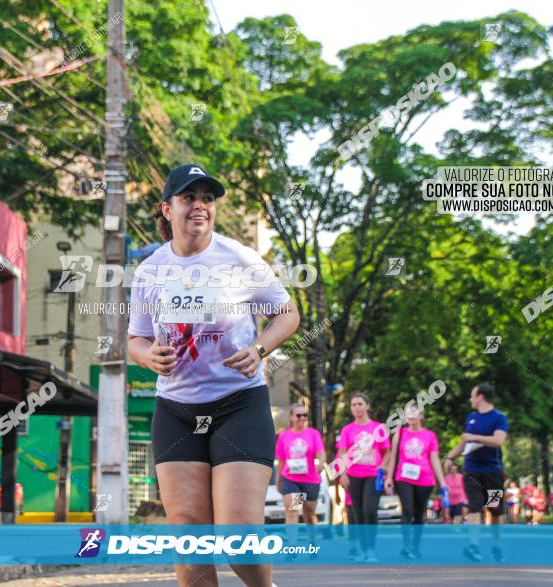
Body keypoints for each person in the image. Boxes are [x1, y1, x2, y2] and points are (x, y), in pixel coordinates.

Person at [128, 163, 300, 587]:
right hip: (177, 410)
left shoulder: (239, 258)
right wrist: (149, 357)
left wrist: (260, 349)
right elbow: (136, 339)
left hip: (238, 405)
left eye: (207, 198)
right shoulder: (150, 271)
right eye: (189, 197)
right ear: (167, 209)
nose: (200, 206)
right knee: (189, 535)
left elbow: (287, 313)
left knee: (238, 537)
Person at [443, 383, 509, 563]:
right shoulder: (471, 418)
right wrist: (450, 458)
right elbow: (465, 442)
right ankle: (474, 546)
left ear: (480, 397)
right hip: (471, 470)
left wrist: (474, 437)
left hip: (493, 472)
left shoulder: (499, 418)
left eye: (472, 395)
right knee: (474, 506)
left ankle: (497, 546)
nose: (470, 399)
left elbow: (498, 440)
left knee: (495, 510)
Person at [333, 393, 391, 563]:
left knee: (369, 510)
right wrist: (342, 473)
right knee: (358, 513)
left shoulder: (378, 428)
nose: (356, 407)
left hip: (373, 475)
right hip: (353, 475)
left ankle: (371, 549)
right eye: (353, 405)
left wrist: (383, 466)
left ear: (367, 406)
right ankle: (363, 550)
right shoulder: (347, 430)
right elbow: (342, 453)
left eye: (359, 404)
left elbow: (386, 452)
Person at [384, 404, 447, 559]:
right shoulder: (400, 433)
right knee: (408, 510)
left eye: (414, 413)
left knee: (419, 513)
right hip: (403, 477)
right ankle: (406, 546)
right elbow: (393, 457)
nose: (411, 416)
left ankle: (416, 546)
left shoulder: (430, 436)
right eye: (408, 414)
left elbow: (434, 459)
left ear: (421, 416)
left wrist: (442, 482)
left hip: (425, 479)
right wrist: (389, 477)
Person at [275, 404, 326, 525]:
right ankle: (293, 543)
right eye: (299, 415)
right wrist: (278, 480)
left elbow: (321, 453)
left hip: (310, 480)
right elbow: (281, 460)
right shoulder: (284, 436)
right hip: (291, 480)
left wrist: (321, 463)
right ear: (291, 417)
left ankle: (312, 540)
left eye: (305, 415)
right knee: (293, 510)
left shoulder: (313, 434)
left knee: (309, 513)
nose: (302, 418)